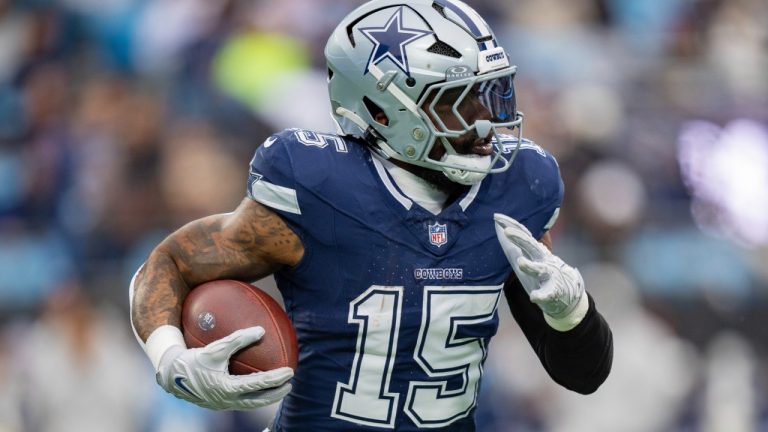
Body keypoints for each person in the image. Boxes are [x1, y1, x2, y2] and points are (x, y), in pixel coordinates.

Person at [129, 0, 613, 430]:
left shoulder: (517, 186)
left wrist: (572, 314)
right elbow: (169, 264)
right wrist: (171, 359)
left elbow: (583, 375)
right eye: (453, 102)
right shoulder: (319, 184)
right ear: (382, 113)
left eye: (485, 93)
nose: (483, 122)